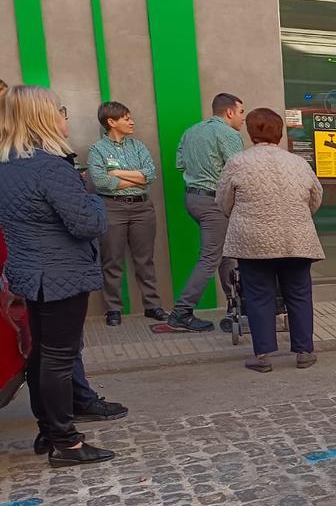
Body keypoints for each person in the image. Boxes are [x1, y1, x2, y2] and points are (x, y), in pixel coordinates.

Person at [0, 82, 126, 440]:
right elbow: (88, 223)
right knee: (58, 358)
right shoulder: (51, 167)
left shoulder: (7, 165)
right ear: (42, 117)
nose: (63, 117)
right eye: (59, 110)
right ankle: (64, 439)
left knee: (42, 355)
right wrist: (95, 196)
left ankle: (49, 432)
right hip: (60, 274)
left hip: (30, 273)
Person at [217, 108, 324, 373]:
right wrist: (297, 216)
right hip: (298, 238)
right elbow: (316, 196)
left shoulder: (238, 162)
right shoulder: (298, 163)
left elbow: (223, 200)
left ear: (250, 132)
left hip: (254, 240)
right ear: (280, 133)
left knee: (258, 295)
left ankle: (262, 355)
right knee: (299, 294)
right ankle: (304, 351)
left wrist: (241, 215)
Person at [168, 92, 245, 332]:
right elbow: (238, 170)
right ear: (229, 112)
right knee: (211, 257)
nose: (243, 118)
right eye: (241, 112)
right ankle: (182, 311)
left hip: (193, 197)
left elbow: (180, 164)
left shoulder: (191, 132)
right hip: (214, 202)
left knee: (226, 254)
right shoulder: (228, 134)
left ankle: (236, 306)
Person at [87, 101, 165, 326]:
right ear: (111, 122)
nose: (132, 121)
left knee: (145, 260)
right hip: (112, 208)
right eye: (126, 118)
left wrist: (118, 173)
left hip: (142, 208)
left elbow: (149, 176)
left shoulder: (138, 146)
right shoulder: (97, 150)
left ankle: (152, 306)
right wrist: (135, 177)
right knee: (112, 260)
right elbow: (101, 182)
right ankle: (113, 309)